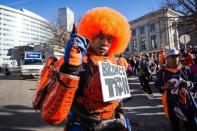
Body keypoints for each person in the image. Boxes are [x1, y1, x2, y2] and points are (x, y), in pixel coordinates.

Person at [33, 7, 131, 131]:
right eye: (100, 37)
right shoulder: (73, 60)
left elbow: (116, 98)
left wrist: (121, 113)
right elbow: (52, 116)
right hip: (82, 125)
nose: (105, 43)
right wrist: (71, 69)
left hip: (112, 124)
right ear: (90, 35)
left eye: (109, 39)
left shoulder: (113, 61)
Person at [155, 48, 197, 131]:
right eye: (172, 57)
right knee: (174, 125)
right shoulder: (162, 72)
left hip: (186, 102)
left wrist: (187, 83)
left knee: (191, 124)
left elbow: (195, 84)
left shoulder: (186, 69)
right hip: (171, 103)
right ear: (166, 58)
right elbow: (158, 86)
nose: (175, 59)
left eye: (177, 56)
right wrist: (164, 87)